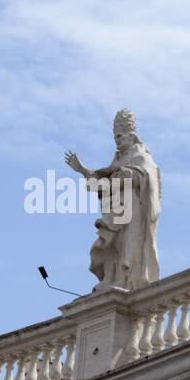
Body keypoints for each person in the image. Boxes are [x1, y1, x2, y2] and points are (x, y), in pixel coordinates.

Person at [64, 109, 161, 292]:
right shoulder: (117, 160)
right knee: (112, 244)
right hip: (116, 211)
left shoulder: (141, 157)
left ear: (131, 136)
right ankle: (112, 279)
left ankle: (128, 281)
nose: (117, 141)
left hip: (133, 212)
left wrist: (130, 175)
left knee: (129, 246)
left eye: (120, 136)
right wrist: (83, 170)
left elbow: (149, 177)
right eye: (115, 137)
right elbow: (100, 185)